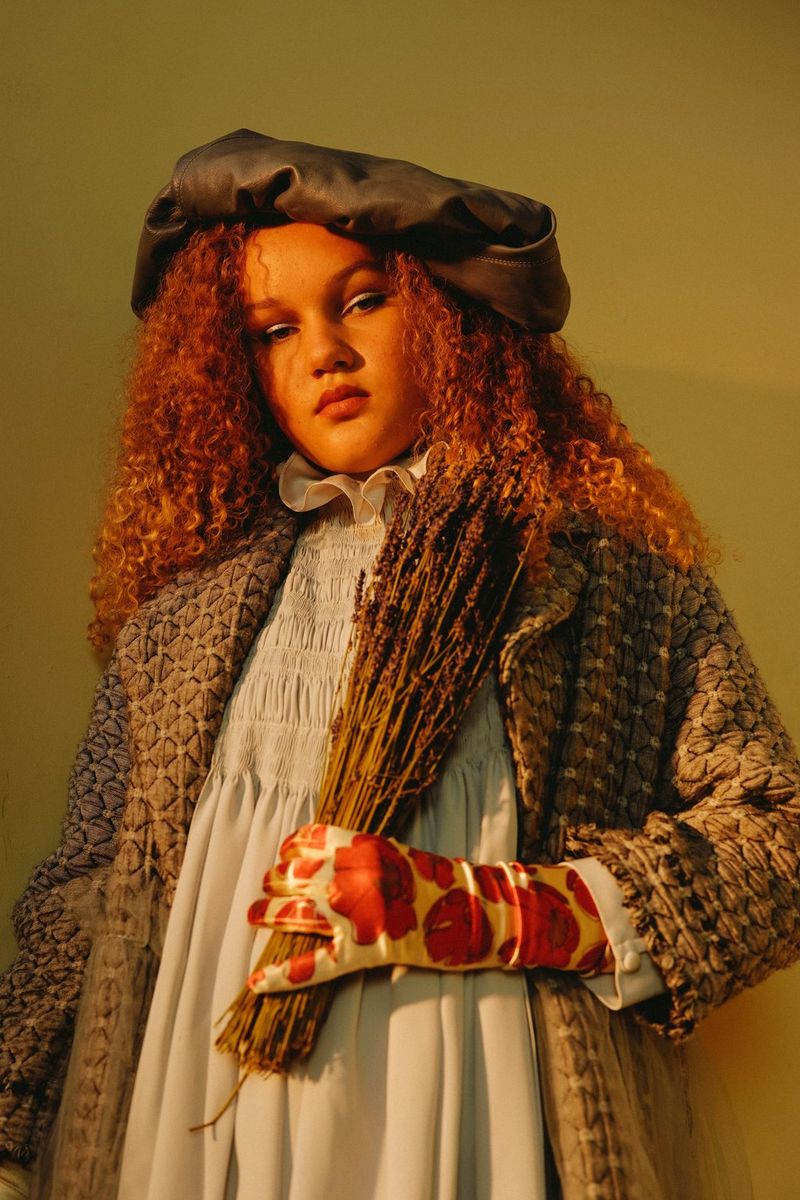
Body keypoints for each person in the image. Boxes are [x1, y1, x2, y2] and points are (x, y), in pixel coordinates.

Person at [0, 129, 797, 1200]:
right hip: (193, 1119)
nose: (324, 351)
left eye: (364, 301)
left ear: (448, 315)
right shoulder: (180, 620)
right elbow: (86, 894)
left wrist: (487, 910)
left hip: (476, 1115)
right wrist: (11, 1128)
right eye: (274, 330)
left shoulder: (610, 583)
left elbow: (778, 841)